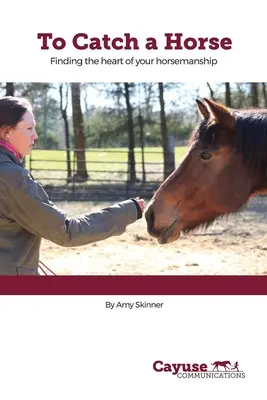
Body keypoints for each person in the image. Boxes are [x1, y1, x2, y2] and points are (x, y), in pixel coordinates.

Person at [0, 96, 145, 275]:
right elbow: (66, 231)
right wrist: (126, 211)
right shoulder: (13, 178)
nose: (35, 135)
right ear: (6, 132)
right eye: (29, 128)